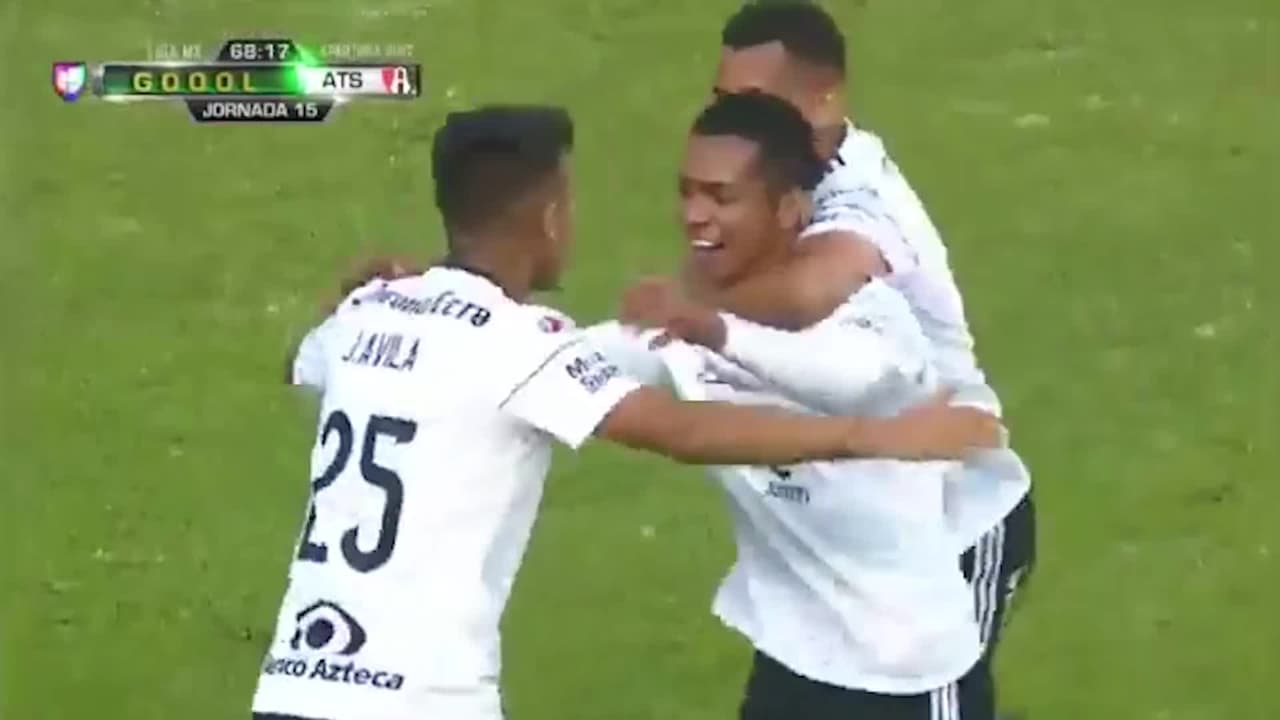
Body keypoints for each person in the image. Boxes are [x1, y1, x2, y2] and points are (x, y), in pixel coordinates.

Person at [249, 104, 1000, 720]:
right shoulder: (519, 343)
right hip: (420, 700)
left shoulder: (373, 311)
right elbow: (682, 430)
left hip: (294, 687)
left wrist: (349, 296)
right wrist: (882, 437)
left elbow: (302, 366)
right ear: (550, 218)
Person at [594, 91, 1022, 719]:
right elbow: (578, 359)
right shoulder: (693, 324)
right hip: (792, 659)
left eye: (721, 197)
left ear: (789, 208)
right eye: (686, 193)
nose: (694, 216)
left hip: (905, 673)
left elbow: (845, 379)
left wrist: (716, 331)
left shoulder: (870, 312)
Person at [704, 0, 1037, 678]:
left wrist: (690, 303)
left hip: (946, 530)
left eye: (754, 105)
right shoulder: (779, 186)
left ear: (826, 98)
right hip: (833, 538)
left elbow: (805, 294)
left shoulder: (861, 197)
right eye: (722, 102)